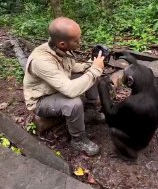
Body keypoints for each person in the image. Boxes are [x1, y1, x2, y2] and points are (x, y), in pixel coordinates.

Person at [23, 17, 105, 156]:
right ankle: (78, 139)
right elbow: (70, 91)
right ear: (62, 43)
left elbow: (72, 67)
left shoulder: (58, 47)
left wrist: (91, 65)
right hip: (42, 99)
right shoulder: (41, 60)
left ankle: (90, 111)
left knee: (90, 74)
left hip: (57, 86)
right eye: (76, 41)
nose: (80, 42)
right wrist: (95, 70)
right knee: (73, 103)